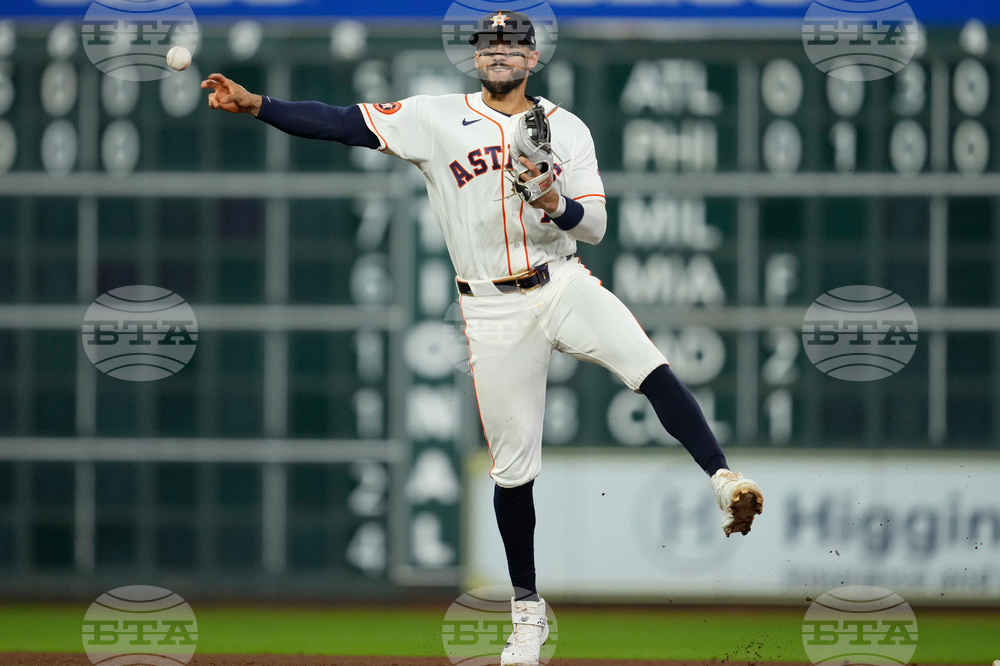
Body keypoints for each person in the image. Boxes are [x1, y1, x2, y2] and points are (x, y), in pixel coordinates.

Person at [202, 11, 763, 666]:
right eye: (489, 43)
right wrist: (260, 105)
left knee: (646, 362)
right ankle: (527, 616)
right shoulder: (434, 117)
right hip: (491, 309)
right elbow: (338, 122)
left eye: (513, 44)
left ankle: (722, 478)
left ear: (532, 58)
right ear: (476, 58)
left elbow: (598, 226)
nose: (499, 51)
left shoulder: (567, 127)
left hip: (560, 280)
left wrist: (555, 204)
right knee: (513, 468)